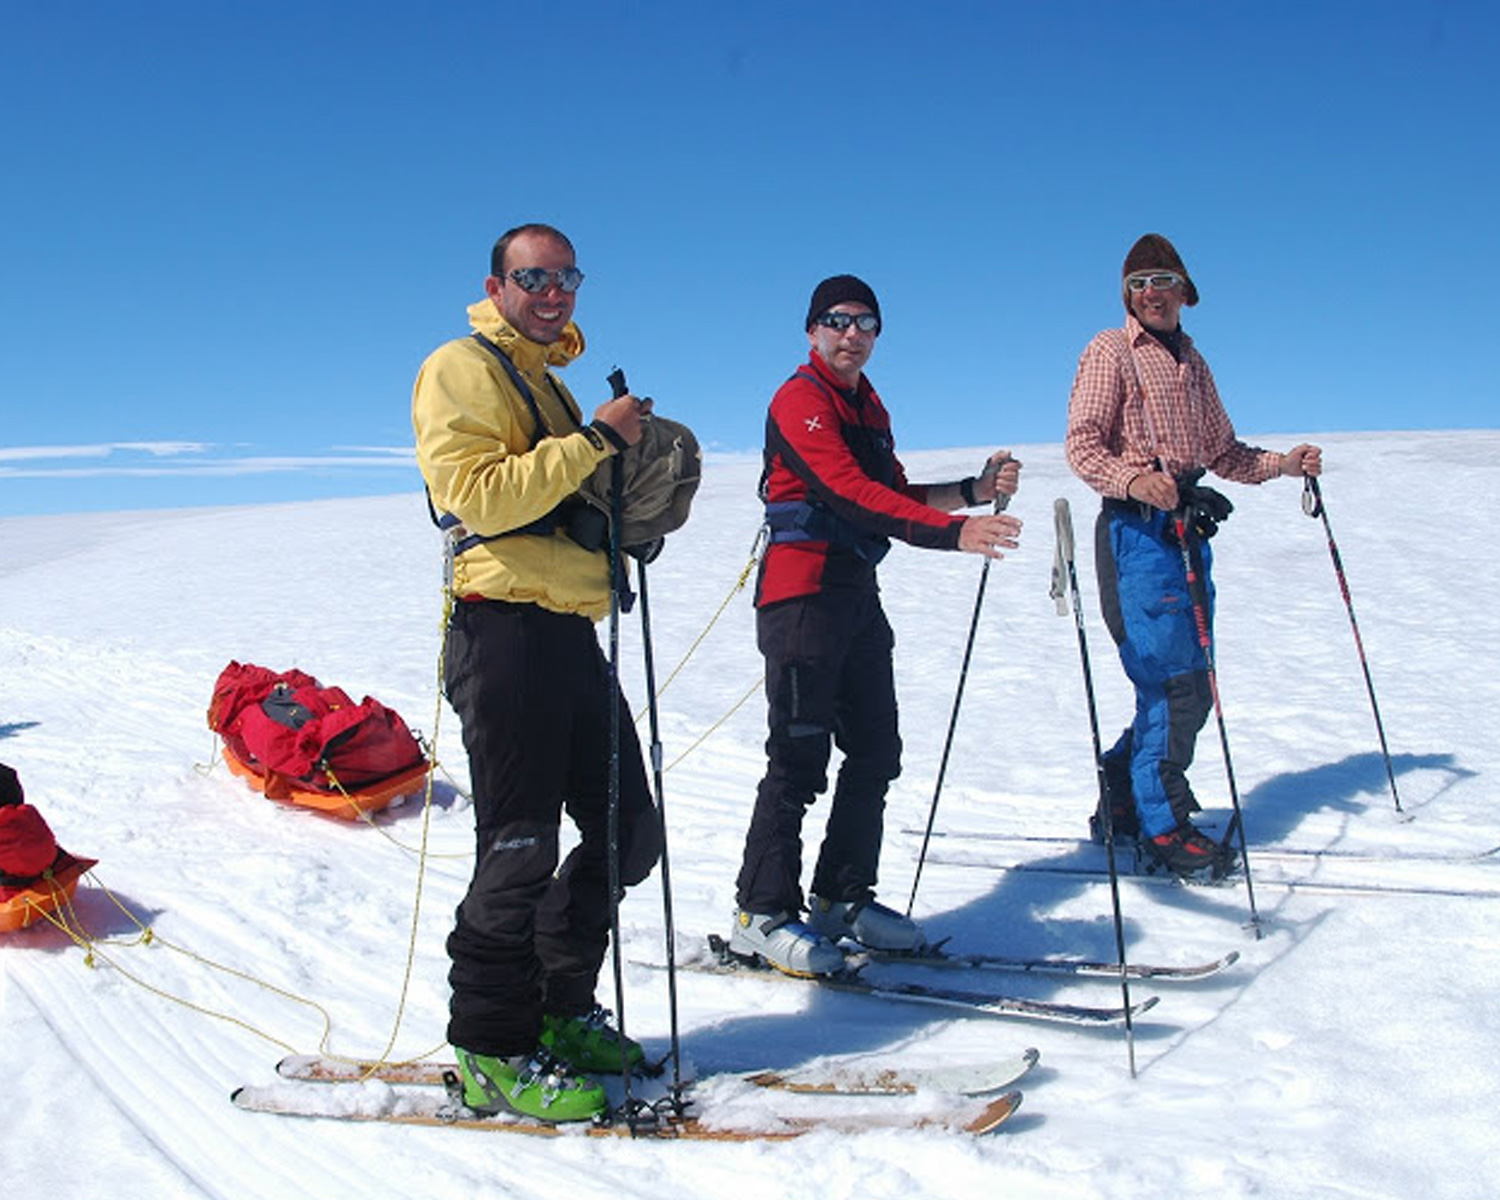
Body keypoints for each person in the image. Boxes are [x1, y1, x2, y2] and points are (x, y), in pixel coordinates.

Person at [411, 223, 663, 1122]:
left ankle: (557, 1012)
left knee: (627, 832)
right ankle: (489, 1044)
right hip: (501, 630)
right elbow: (475, 495)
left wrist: (625, 516)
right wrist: (596, 439)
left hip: (567, 632)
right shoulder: (461, 367)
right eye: (534, 276)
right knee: (518, 849)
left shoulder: (551, 381)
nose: (554, 291)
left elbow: (564, 498)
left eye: (567, 276)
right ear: (498, 281)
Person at [729, 274, 1023, 977]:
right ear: (812, 331)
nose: (852, 333)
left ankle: (839, 898)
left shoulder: (869, 405)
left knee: (875, 749)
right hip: (801, 597)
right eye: (837, 320)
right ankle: (759, 912)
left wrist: (970, 492)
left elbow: (890, 490)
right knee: (798, 760)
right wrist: (954, 533)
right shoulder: (800, 398)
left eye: (866, 322)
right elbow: (845, 492)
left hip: (854, 592)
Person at [1065, 233, 1322, 879]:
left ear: (1185, 291)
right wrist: (1136, 481)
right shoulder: (1109, 350)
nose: (1150, 292)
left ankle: (1122, 794)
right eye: (1138, 283)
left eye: (1161, 279)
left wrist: (1283, 466)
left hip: (1180, 532)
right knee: (1174, 685)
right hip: (1134, 535)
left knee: (1189, 683)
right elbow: (1083, 445)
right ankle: (1161, 825)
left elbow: (1224, 451)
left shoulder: (1192, 361)